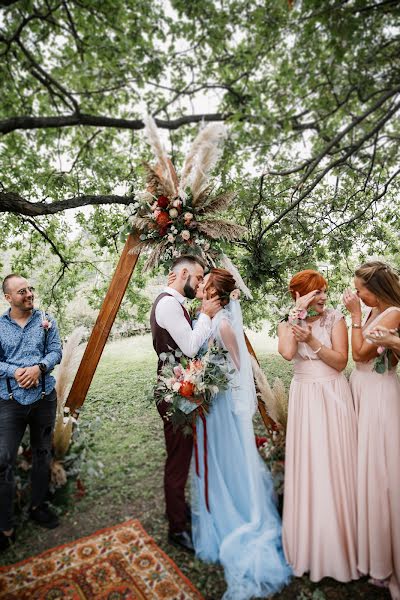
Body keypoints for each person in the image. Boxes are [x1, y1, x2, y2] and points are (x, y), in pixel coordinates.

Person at [191, 268, 291, 600]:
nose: (201, 288)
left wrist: (210, 382)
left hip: (221, 403)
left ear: (216, 293)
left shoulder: (222, 325)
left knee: (228, 457)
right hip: (208, 399)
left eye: (205, 285)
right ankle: (222, 503)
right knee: (217, 458)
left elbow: (238, 369)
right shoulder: (209, 318)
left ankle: (238, 509)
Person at [278, 269, 358, 582]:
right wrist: (296, 319)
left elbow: (341, 362)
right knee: (310, 466)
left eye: (324, 291)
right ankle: (311, 544)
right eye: (317, 292)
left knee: (336, 463)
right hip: (304, 398)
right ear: (300, 295)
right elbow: (286, 353)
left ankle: (344, 546)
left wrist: (311, 339)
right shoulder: (287, 321)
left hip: (332, 395)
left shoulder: (335, 318)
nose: (323, 297)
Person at [150, 255, 221, 553]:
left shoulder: (175, 302)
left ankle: (180, 511)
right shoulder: (167, 304)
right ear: (182, 274)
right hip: (174, 393)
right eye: (199, 276)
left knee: (185, 455)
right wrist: (205, 314)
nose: (202, 282)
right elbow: (190, 346)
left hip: (183, 387)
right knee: (178, 462)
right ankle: (177, 529)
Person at [343, 261, 400, 600]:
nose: (357, 294)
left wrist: (353, 316)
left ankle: (385, 559)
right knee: (367, 469)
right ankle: (371, 553)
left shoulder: (392, 312)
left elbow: (361, 354)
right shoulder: (376, 311)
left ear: (376, 288)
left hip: (379, 393)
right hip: (362, 389)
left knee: (380, 472)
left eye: (361, 289)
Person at [0, 274, 62, 553]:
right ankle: (5, 525)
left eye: (30, 289)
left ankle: (37, 505)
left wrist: (39, 367)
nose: (29, 294)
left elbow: (56, 351)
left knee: (42, 453)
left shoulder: (46, 320)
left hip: (44, 399)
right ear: (8, 297)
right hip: (9, 403)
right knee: (3, 461)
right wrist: (15, 371)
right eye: (21, 291)